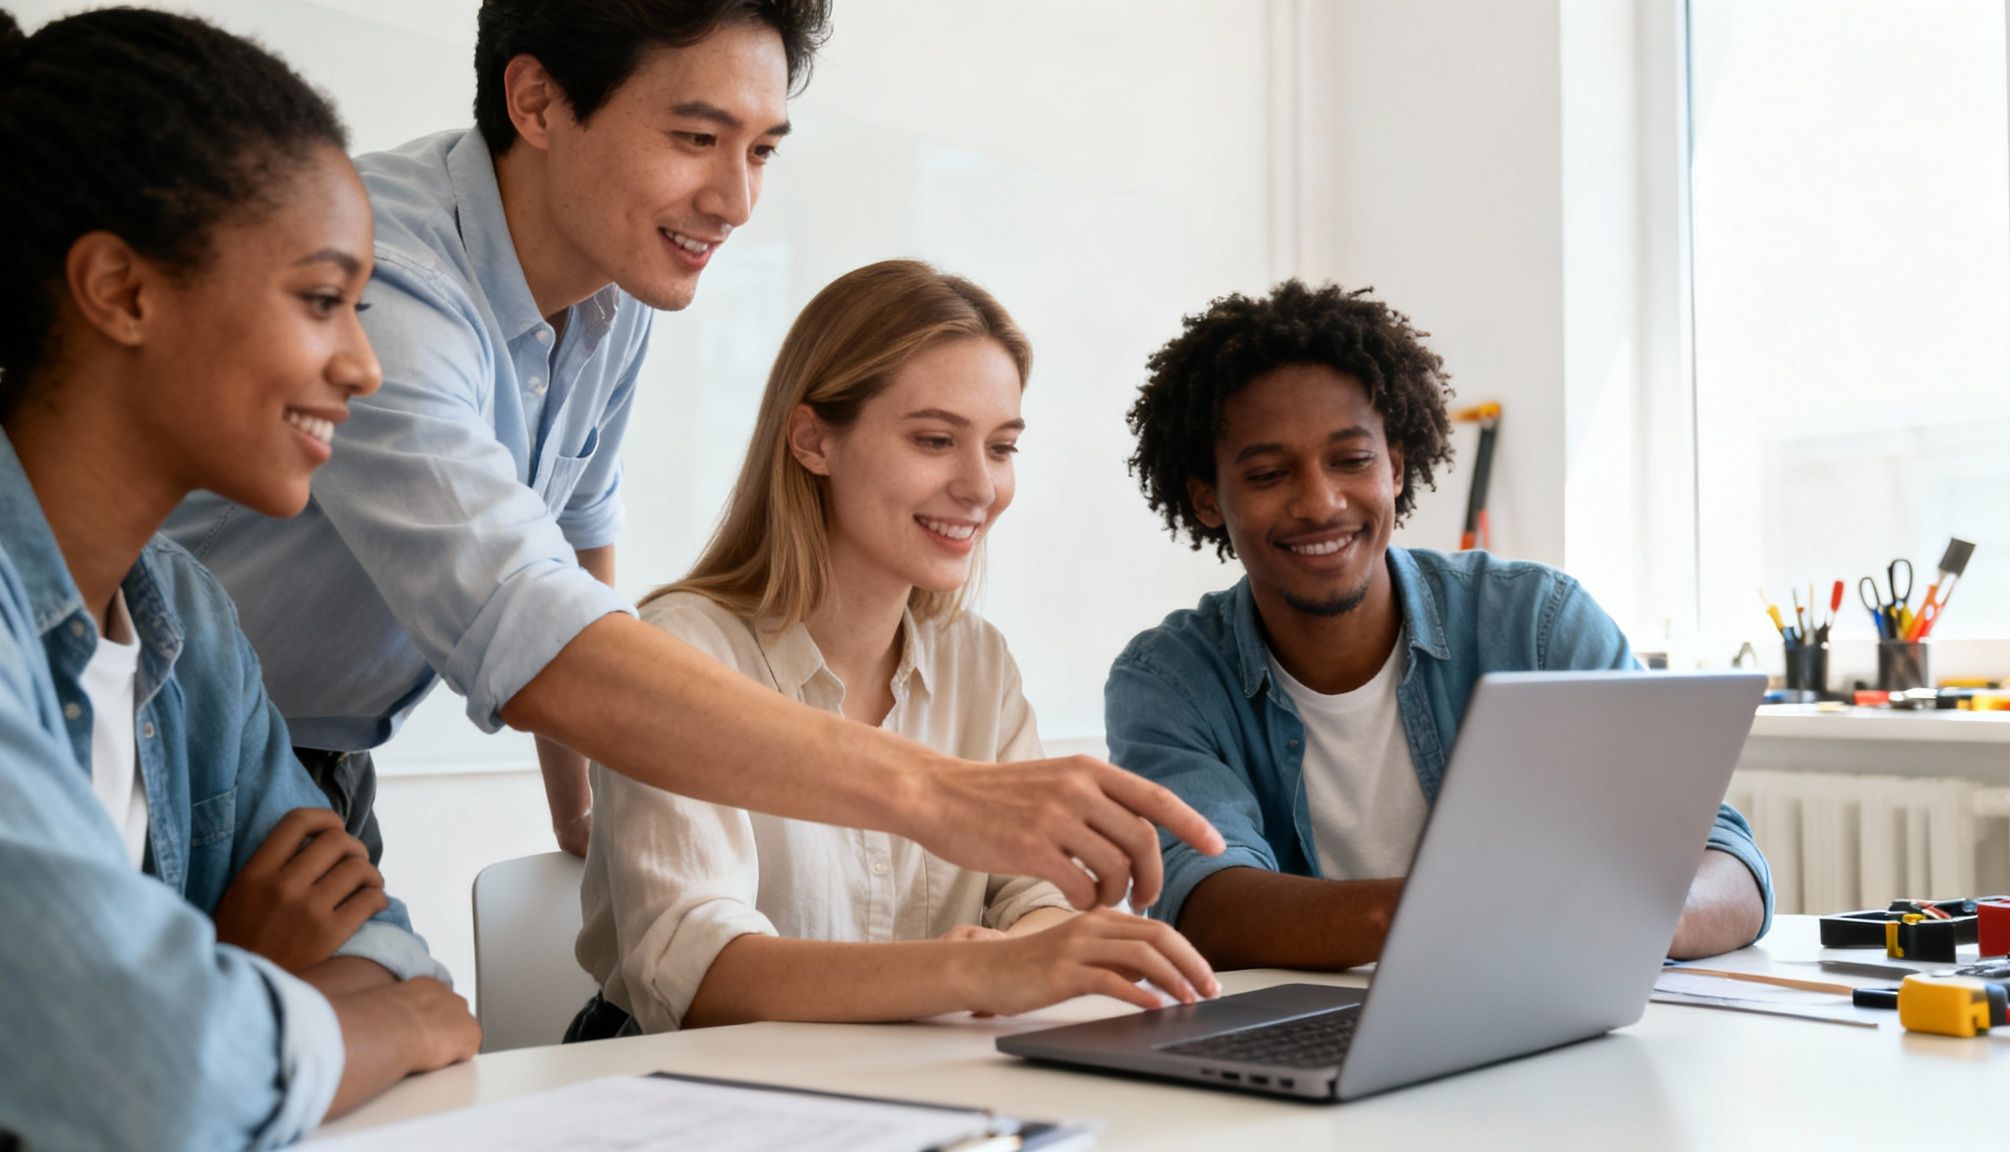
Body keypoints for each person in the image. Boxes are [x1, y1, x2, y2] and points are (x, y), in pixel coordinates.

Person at [162, 0, 1218, 910]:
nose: (736, 201)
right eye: (697, 138)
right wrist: (941, 797)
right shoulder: (384, 279)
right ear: (535, 104)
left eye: (760, 149)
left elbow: (577, 531)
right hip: (149, 726)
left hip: (315, 758)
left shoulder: (613, 279)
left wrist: (582, 806)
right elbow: (520, 612)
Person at [0, 10, 478, 1148]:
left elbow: (392, 948)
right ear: (121, 289)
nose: (361, 365)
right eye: (321, 300)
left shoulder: (187, 620)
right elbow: (153, 1070)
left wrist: (223, 1004)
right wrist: (347, 1018)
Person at [571, 261, 1218, 1038]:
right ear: (813, 440)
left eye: (1003, 447)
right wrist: (985, 970)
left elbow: (1032, 899)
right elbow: (700, 976)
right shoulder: (683, 651)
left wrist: (1030, 947)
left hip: (903, 1072)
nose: (981, 487)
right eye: (936, 440)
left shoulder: (976, 662)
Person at [1108, 280, 1774, 970]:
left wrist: (1636, 923)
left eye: (1353, 460)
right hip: (1310, 1034)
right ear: (1206, 500)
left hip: (1536, 1017)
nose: (1321, 502)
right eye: (1270, 473)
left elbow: (1722, 859)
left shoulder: (1539, 625)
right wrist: (1478, 911)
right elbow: (1207, 908)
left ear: (1394, 467)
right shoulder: (1170, 682)